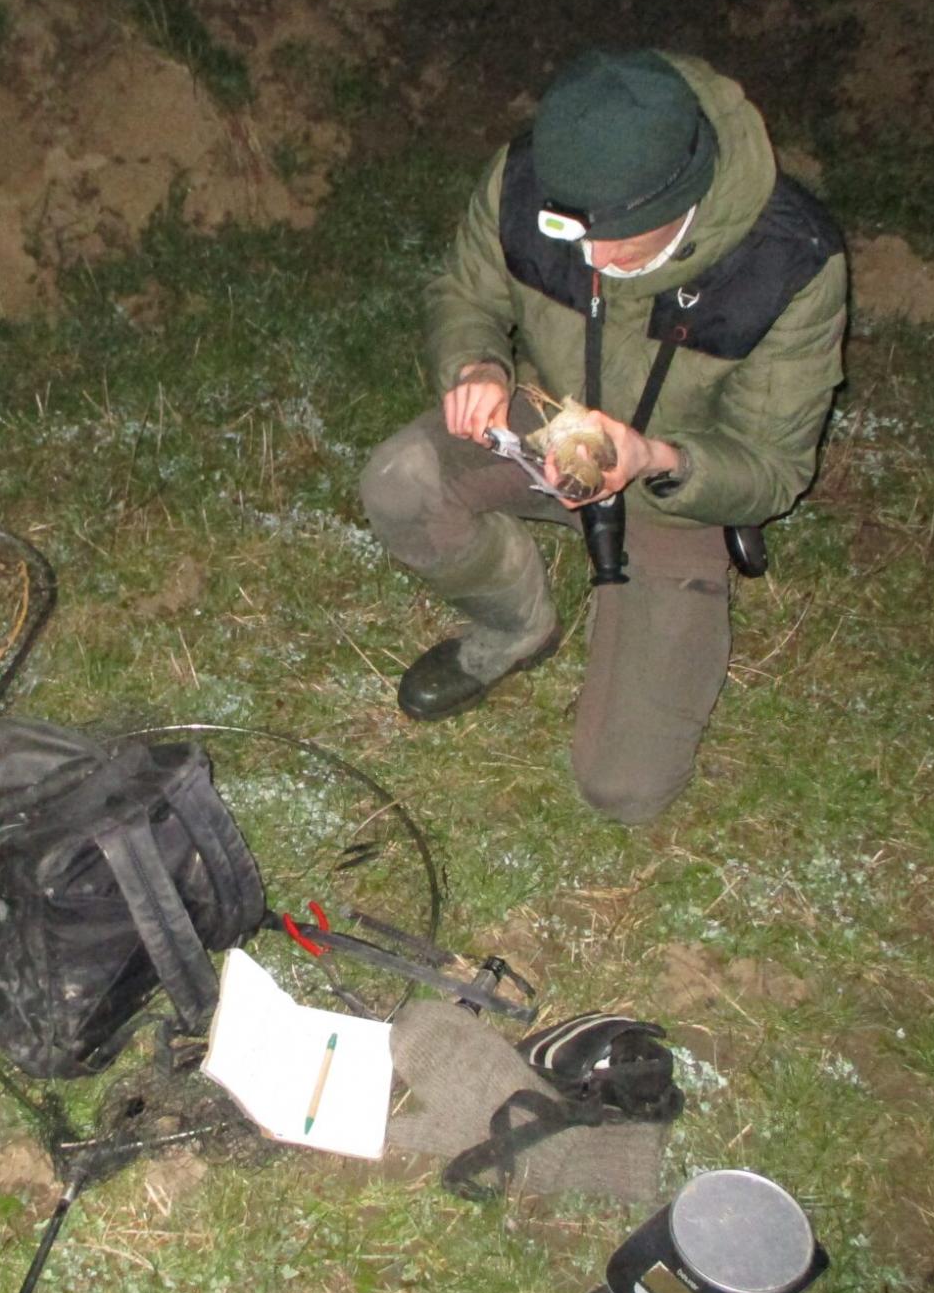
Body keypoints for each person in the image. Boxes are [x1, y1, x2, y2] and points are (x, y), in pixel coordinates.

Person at [360, 49, 847, 824]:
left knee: (623, 789)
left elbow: (773, 468)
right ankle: (517, 629)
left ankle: (648, 583)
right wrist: (476, 363)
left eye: (617, 239)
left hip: (676, 488)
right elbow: (465, 290)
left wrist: (656, 459)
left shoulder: (787, 262)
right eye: (569, 228)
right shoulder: (530, 179)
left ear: (683, 200)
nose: (589, 257)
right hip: (546, 420)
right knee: (402, 480)